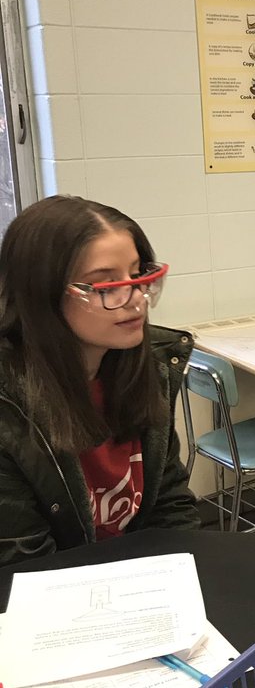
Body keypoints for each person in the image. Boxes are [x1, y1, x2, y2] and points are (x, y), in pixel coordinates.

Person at [0, 195, 200, 563]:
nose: (136, 299)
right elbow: (24, 568)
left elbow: (170, 504)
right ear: (41, 295)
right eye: (105, 286)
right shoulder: (9, 406)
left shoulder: (148, 366)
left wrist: (187, 580)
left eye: (138, 275)